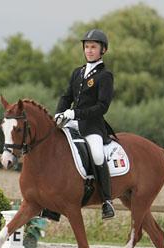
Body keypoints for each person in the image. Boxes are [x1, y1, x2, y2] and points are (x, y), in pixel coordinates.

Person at [55, 29, 115, 220]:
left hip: (93, 126)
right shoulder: (78, 72)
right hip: (72, 123)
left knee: (97, 154)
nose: (89, 50)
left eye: (93, 47)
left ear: (102, 50)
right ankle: (52, 201)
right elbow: (66, 97)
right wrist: (59, 113)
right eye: (87, 47)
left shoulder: (105, 76)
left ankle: (107, 201)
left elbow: (102, 106)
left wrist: (75, 113)